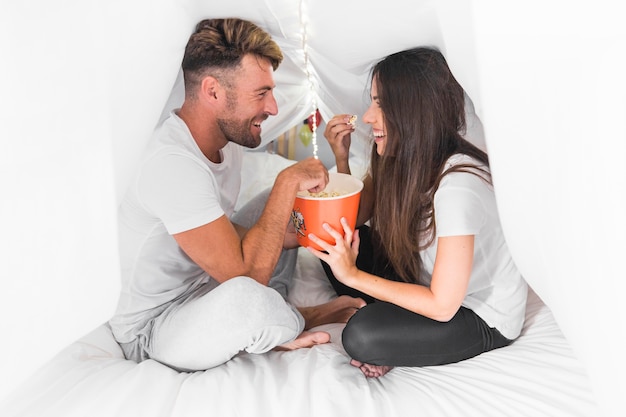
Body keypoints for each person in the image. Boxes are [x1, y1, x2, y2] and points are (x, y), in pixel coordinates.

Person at [109, 18, 364, 372]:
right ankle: (294, 320)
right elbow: (247, 277)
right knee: (248, 299)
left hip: (205, 282)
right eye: (261, 93)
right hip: (153, 328)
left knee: (282, 213)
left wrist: (293, 234)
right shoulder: (171, 164)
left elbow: (225, 236)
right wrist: (286, 181)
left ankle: (280, 317)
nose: (274, 108)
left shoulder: (229, 141)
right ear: (213, 92)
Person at [311, 47, 528, 378]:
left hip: (476, 314)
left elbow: (443, 306)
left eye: (380, 104)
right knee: (334, 246)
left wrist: (352, 277)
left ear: (412, 112)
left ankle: (391, 332)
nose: (368, 116)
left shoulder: (458, 187)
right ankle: (394, 330)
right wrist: (341, 158)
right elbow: (352, 219)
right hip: (427, 280)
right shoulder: (404, 161)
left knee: (361, 335)